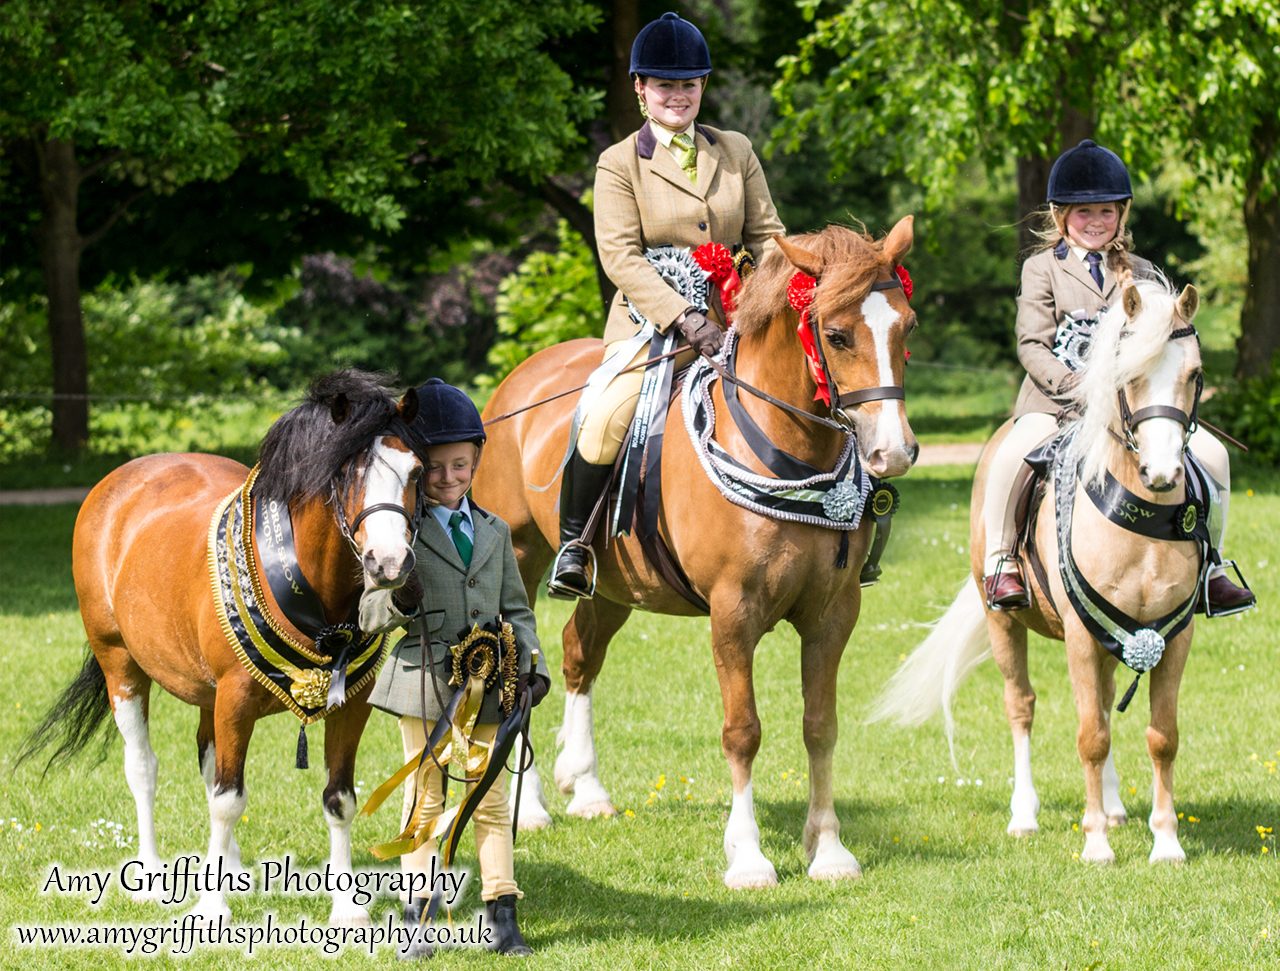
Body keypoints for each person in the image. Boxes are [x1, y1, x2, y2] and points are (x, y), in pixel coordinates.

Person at [549, 11, 787, 598]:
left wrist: (778, 296)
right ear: (641, 89)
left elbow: (768, 235)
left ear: (702, 87)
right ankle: (576, 543)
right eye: (665, 85)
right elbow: (621, 257)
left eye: (688, 85)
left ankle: (849, 523)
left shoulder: (735, 150)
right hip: (649, 329)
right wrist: (683, 314)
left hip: (737, 319)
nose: (678, 96)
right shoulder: (619, 162)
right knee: (605, 416)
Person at [981, 139, 1253, 614]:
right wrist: (1075, 387)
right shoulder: (1042, 269)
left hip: (1127, 412)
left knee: (1213, 457)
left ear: (1121, 215)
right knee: (1011, 455)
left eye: (1105, 212)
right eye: (1082, 213)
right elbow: (1031, 344)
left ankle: (1211, 568)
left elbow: (1164, 348)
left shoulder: (1142, 272)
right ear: (1060, 215)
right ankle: (1002, 559)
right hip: (1056, 406)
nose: (1095, 222)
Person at [360, 378, 551, 958]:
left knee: (491, 798)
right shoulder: (402, 534)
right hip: (423, 687)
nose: (447, 479)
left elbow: (515, 608)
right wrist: (400, 597)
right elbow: (369, 614)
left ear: (475, 463)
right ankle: (418, 916)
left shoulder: (494, 531)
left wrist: (533, 665)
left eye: (460, 466)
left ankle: (502, 911)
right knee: (427, 796)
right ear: (420, 470)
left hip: (491, 682)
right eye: (436, 468)